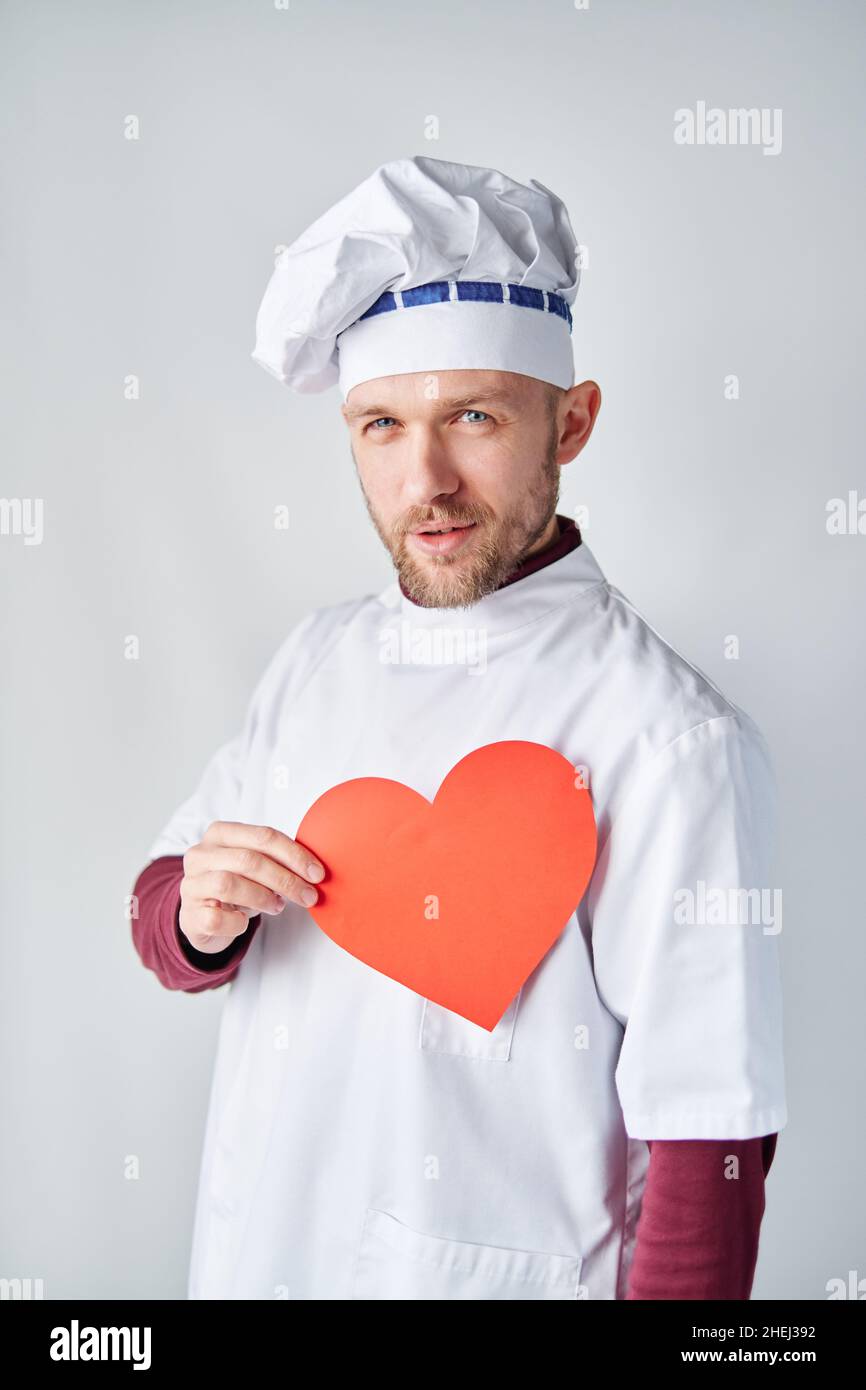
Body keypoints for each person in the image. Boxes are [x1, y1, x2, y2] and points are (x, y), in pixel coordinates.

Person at [131, 155, 787, 1300]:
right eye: (380, 425)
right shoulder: (315, 657)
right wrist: (197, 916)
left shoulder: (668, 736)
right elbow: (164, 921)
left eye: (471, 417)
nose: (422, 479)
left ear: (569, 423)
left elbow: (708, 1144)